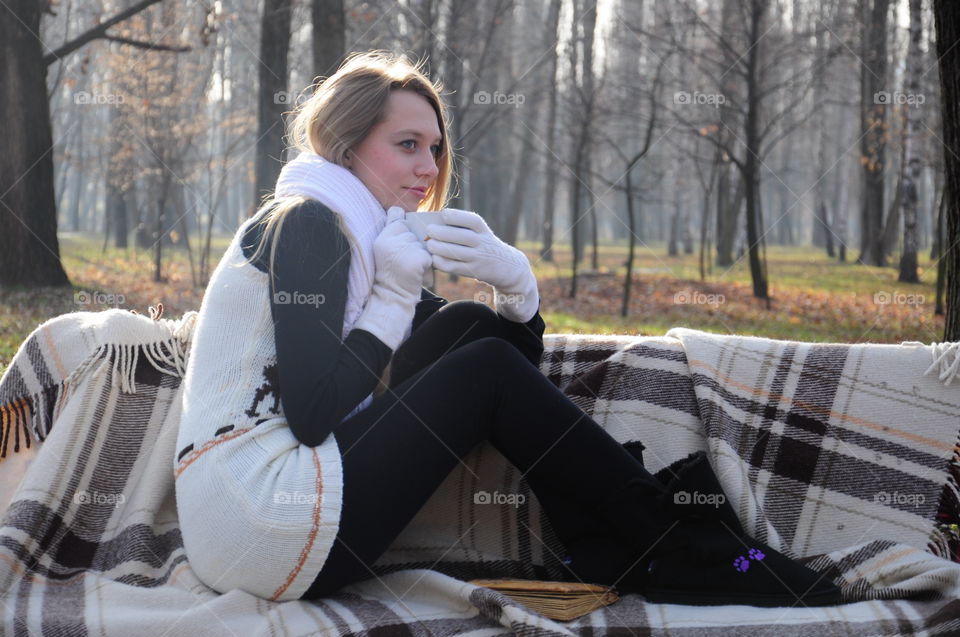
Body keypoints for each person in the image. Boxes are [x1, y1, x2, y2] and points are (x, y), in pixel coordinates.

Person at [173, 51, 841, 608]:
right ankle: (674, 545)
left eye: (435, 148)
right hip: (256, 518)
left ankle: (620, 542)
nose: (430, 167)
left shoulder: (358, 237)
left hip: (272, 511)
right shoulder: (310, 227)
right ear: (349, 147)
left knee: (469, 328)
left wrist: (517, 287)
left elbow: (502, 364)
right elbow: (314, 414)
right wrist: (395, 296)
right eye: (407, 145)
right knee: (479, 365)